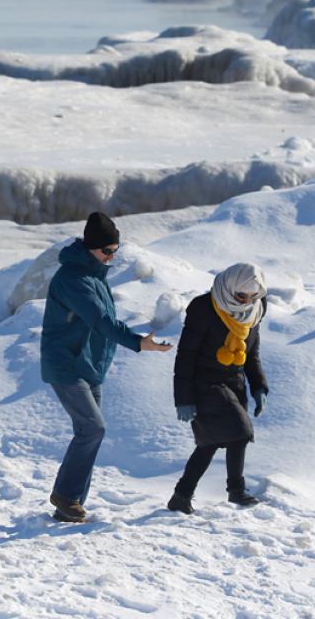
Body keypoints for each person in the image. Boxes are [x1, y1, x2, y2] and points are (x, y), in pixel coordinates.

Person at [41, 211, 173, 523]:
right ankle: (66, 496)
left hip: (87, 365)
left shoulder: (94, 275)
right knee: (93, 428)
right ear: (90, 248)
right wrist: (138, 342)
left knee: (89, 432)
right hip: (66, 365)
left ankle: (70, 507)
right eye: (107, 251)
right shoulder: (73, 280)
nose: (112, 257)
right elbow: (101, 321)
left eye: (116, 251)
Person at [167, 262, 270, 515]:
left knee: (209, 443)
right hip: (204, 382)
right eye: (241, 295)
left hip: (234, 380)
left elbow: (252, 352)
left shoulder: (256, 309)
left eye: (251, 296)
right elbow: (186, 355)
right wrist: (183, 398)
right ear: (228, 287)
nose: (246, 301)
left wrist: (258, 386)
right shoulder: (204, 308)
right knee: (241, 430)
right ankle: (236, 490)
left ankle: (181, 497)